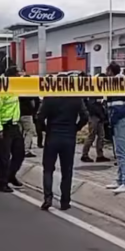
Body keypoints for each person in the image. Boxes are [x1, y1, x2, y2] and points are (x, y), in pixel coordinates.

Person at [36, 80, 89, 210]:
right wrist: (76, 128)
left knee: (48, 169)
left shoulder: (50, 98)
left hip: (52, 136)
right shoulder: (76, 98)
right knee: (67, 170)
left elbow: (39, 117)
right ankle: (65, 201)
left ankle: (48, 198)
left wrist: (44, 129)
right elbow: (85, 116)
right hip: (69, 137)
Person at [0, 66, 25, 193]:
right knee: (4, 157)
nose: (19, 78)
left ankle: (11, 175)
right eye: (17, 76)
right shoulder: (0, 89)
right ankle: (2, 183)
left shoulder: (15, 87)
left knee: (20, 153)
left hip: (14, 126)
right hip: (3, 127)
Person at [105, 62, 125, 193]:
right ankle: (120, 180)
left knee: (122, 153)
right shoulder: (123, 83)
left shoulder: (118, 85)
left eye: (107, 72)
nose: (106, 75)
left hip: (122, 122)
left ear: (112, 72)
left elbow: (118, 108)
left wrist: (111, 121)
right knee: (120, 152)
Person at [80, 93, 110, 163]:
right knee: (91, 136)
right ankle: (85, 155)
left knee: (101, 136)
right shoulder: (92, 94)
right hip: (94, 116)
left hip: (99, 116)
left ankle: (100, 155)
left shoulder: (100, 94)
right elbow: (92, 106)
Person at [19, 86, 39, 158]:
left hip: (17, 114)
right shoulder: (30, 90)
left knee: (20, 132)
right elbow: (36, 102)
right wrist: (34, 112)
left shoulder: (18, 90)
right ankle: (26, 150)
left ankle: (18, 149)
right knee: (30, 131)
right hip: (27, 114)